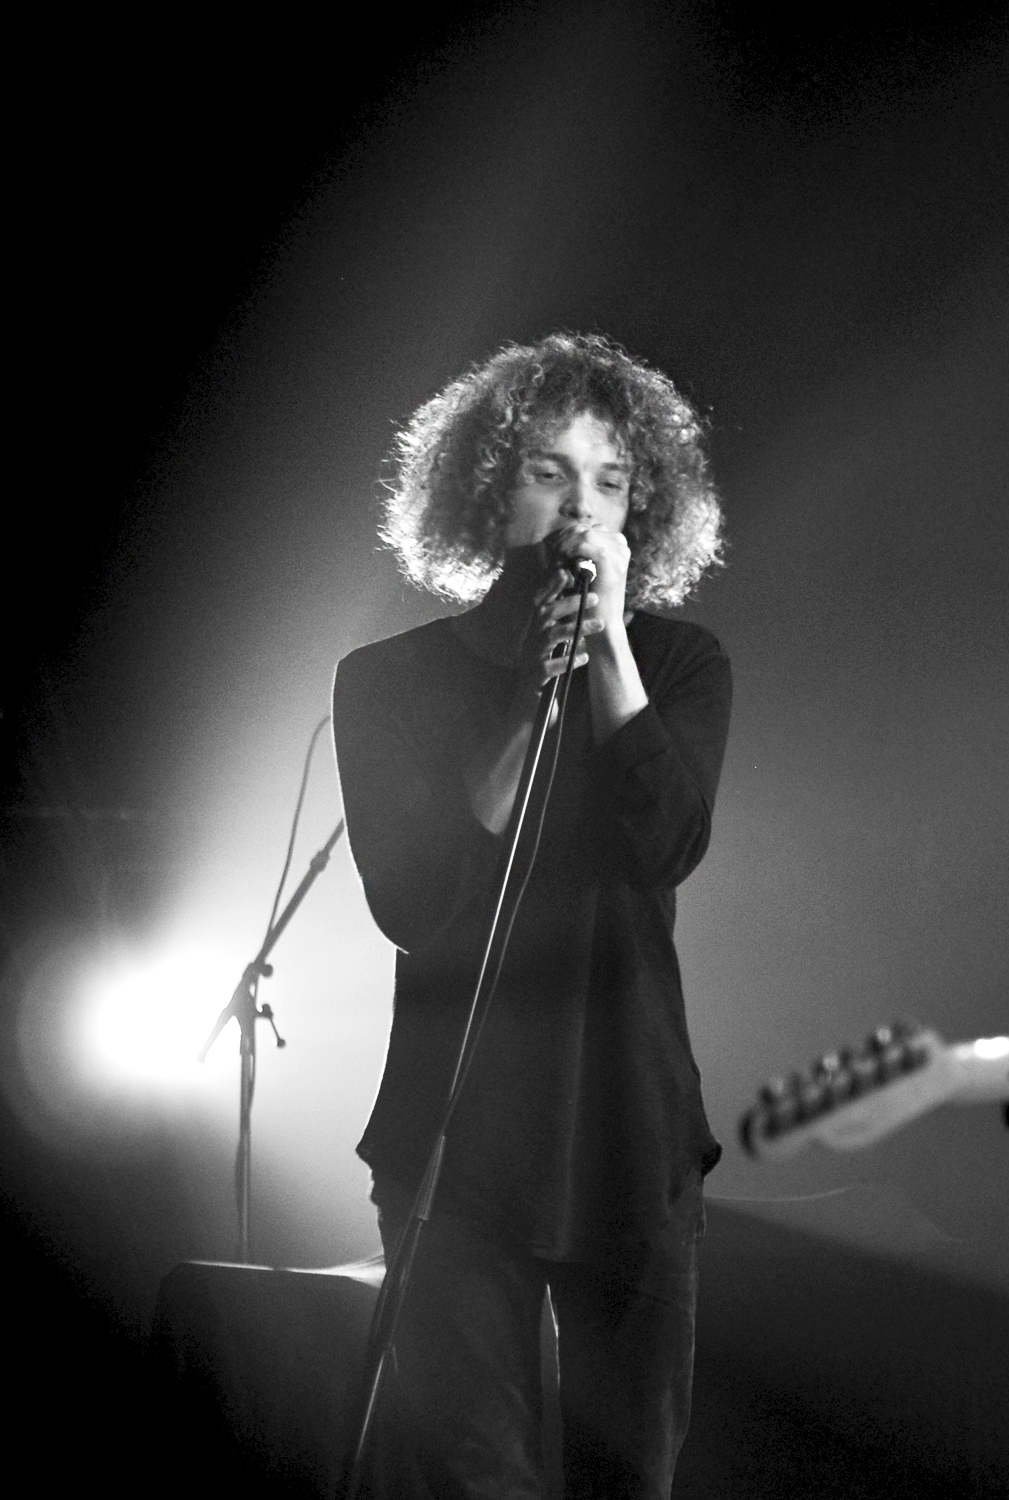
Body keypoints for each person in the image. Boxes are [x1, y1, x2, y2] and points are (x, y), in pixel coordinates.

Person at [333, 332, 731, 1499]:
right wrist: (524, 693)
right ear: (485, 487)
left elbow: (666, 844)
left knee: (629, 1480)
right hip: (454, 1140)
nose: (581, 507)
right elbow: (414, 905)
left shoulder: (680, 662)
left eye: (610, 480)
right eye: (549, 471)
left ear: (642, 508)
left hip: (628, 1134)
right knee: (472, 1480)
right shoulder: (389, 681)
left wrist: (606, 649)